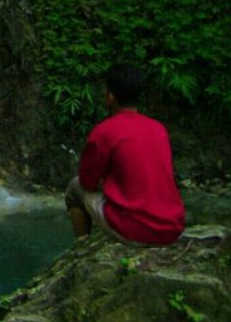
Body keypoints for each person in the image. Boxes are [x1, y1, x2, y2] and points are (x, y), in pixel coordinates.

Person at [65, 63, 185, 246]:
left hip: (136, 230)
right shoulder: (158, 129)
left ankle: (81, 246)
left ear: (110, 97)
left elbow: (87, 181)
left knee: (74, 189)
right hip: (171, 229)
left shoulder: (105, 131)